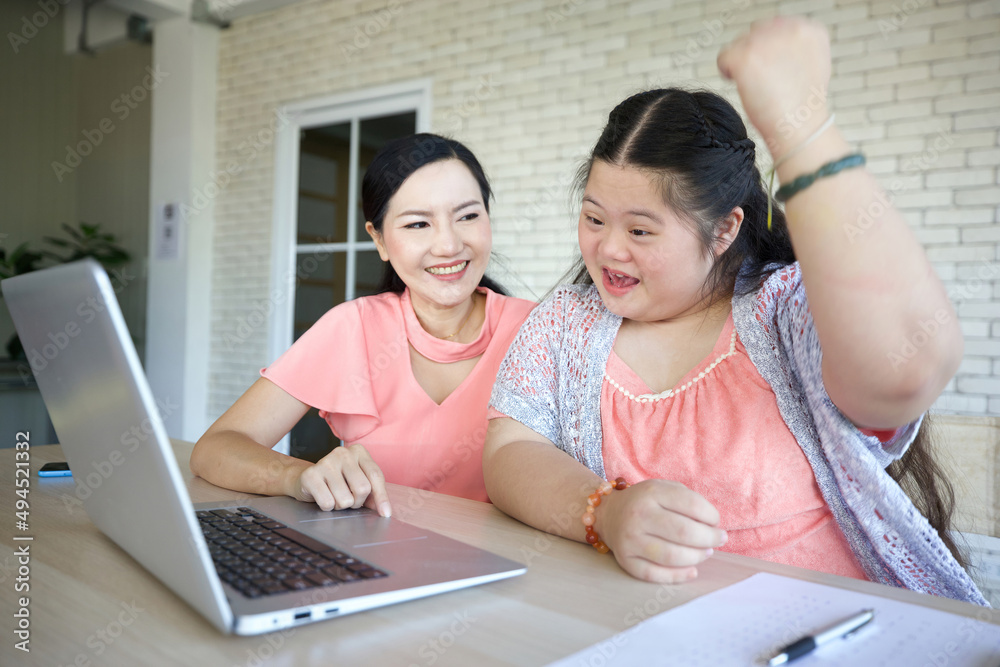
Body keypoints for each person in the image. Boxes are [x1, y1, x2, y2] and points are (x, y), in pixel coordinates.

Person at [483, 17, 986, 605]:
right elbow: (510, 453)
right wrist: (604, 511)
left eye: (641, 229)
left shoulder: (784, 310)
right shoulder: (569, 321)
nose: (608, 249)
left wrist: (802, 129)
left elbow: (907, 368)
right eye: (594, 218)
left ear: (724, 230)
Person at [191, 133, 535, 516]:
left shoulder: (540, 330)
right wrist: (299, 477)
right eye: (418, 224)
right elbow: (216, 447)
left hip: (507, 566)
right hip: (373, 559)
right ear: (380, 240)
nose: (448, 245)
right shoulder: (352, 327)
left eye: (468, 216)